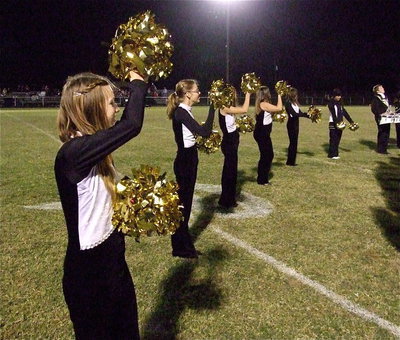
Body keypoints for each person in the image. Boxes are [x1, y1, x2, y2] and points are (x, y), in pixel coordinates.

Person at [55, 70, 147, 339]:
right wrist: (138, 83)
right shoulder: (74, 154)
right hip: (89, 278)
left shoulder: (93, 151)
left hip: (113, 263)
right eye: (111, 102)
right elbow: (132, 125)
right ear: (92, 107)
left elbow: (99, 203)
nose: (116, 108)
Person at [167, 79, 215, 258]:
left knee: (184, 205)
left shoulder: (185, 111)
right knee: (183, 206)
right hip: (185, 161)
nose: (198, 93)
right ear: (187, 94)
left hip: (189, 158)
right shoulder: (181, 112)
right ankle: (180, 247)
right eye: (196, 90)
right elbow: (204, 132)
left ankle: (182, 244)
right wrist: (213, 108)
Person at [218, 89, 251, 208]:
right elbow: (244, 110)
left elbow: (231, 124)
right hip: (229, 143)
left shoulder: (229, 107)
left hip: (232, 141)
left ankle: (227, 198)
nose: (234, 95)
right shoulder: (224, 107)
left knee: (231, 172)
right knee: (229, 172)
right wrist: (248, 94)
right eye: (232, 93)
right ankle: (227, 200)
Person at [253, 86, 282, 185]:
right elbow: (279, 108)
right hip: (262, 133)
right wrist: (279, 94)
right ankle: (262, 179)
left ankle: (262, 178)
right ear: (266, 93)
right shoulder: (264, 104)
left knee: (267, 155)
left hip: (262, 132)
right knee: (267, 155)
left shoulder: (264, 104)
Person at [284, 87, 309, 166]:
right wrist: (302, 115)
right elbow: (294, 114)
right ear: (293, 95)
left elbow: (300, 113)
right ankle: (290, 162)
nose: (297, 96)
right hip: (291, 124)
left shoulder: (295, 103)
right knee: (292, 143)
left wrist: (310, 115)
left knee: (295, 143)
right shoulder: (288, 103)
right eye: (296, 94)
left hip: (296, 124)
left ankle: (292, 161)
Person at [327, 88, 354, 159]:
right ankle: (332, 154)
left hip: (340, 123)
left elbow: (344, 112)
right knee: (333, 139)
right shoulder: (331, 103)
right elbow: (333, 114)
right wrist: (336, 123)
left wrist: (351, 121)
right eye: (338, 96)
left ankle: (335, 154)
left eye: (340, 96)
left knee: (338, 139)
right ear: (334, 96)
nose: (339, 97)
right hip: (333, 123)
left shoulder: (340, 103)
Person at [371, 84, 391, 154]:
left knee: (387, 132)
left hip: (387, 118)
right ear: (377, 90)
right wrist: (381, 113)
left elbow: (386, 107)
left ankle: (384, 148)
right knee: (382, 132)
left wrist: (389, 112)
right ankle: (381, 149)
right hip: (380, 118)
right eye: (381, 88)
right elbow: (374, 109)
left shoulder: (384, 97)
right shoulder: (376, 98)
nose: (383, 88)